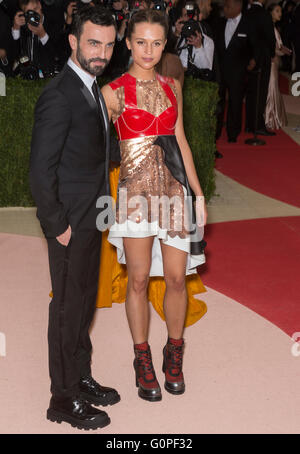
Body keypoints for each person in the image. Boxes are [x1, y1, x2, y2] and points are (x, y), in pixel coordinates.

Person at [101, 8, 207, 402]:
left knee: (178, 279)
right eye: (141, 42)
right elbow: (93, 147)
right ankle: (141, 355)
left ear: (166, 44)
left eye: (157, 43)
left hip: (174, 193)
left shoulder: (172, 87)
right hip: (136, 197)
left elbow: (180, 142)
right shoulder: (113, 92)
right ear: (128, 42)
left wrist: (196, 193)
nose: (148, 50)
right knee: (140, 280)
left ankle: (174, 351)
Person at [29, 5, 121, 431]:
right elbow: (40, 171)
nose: (101, 52)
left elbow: (97, 154)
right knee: (66, 309)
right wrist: (57, 225)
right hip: (69, 225)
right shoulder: (59, 95)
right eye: (92, 43)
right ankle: (62, 398)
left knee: (84, 304)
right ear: (73, 42)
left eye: (107, 43)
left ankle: (79, 376)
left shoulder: (93, 87)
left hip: (93, 218)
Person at [215, 0, 257, 143]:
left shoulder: (248, 24)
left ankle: (233, 133)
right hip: (220, 71)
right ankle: (216, 131)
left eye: (228, 7)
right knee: (218, 103)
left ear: (238, 7)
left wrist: (253, 60)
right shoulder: (219, 23)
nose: (225, 9)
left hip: (238, 72)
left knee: (235, 102)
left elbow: (255, 45)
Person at [244, 0, 276, 136]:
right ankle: (257, 126)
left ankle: (249, 124)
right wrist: (272, 54)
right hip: (262, 58)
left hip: (248, 56)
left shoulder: (246, 13)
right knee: (260, 92)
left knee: (250, 92)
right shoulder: (264, 14)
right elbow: (270, 38)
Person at [265, 3, 289, 129]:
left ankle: (272, 117)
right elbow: (273, 48)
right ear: (271, 13)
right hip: (271, 63)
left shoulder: (273, 27)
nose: (280, 13)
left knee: (273, 88)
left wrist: (283, 50)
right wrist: (282, 51)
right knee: (272, 88)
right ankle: (270, 118)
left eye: (280, 11)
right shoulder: (270, 28)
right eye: (277, 11)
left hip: (274, 63)